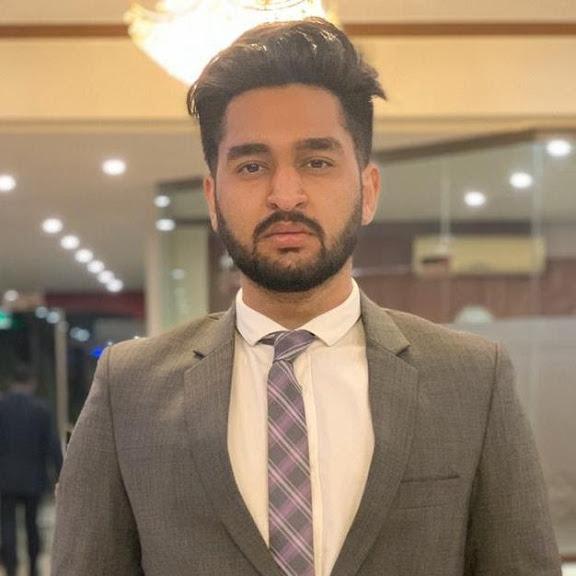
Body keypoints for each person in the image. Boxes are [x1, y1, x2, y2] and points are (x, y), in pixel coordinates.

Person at [51, 17, 562, 576]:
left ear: (368, 190)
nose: (285, 194)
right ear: (213, 199)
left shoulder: (471, 379)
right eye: (252, 166)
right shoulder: (130, 388)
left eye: (317, 162)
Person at [0, 364, 62, 576]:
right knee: (32, 524)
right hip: (34, 479)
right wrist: (61, 474)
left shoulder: (2, 407)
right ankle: (34, 567)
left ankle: (11, 568)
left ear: (12, 382)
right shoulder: (41, 409)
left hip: (4, 478)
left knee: (7, 524)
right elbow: (52, 445)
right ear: (31, 383)